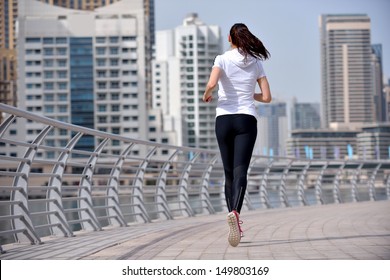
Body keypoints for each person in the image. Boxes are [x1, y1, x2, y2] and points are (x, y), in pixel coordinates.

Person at [203, 23, 272, 247]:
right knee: (241, 169)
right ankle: (235, 213)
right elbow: (267, 97)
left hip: (223, 119)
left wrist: (207, 93)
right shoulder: (256, 63)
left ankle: (231, 215)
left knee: (228, 173)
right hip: (246, 119)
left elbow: (212, 83)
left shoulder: (221, 59)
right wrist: (249, 94)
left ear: (231, 39)